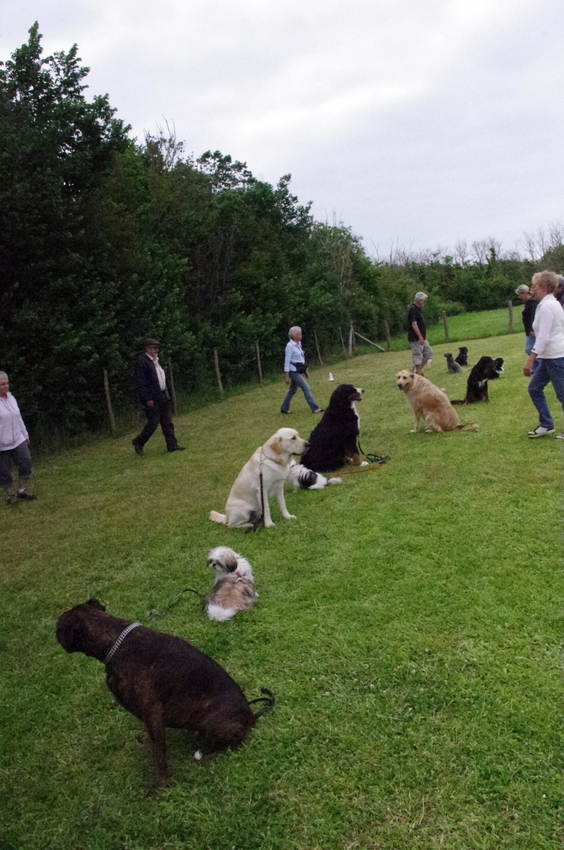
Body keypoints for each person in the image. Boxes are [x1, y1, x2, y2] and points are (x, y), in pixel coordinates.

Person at [522, 271, 564, 439]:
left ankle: (547, 425)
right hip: (548, 357)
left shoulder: (548, 306)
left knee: (562, 394)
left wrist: (530, 359)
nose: (532, 288)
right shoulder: (548, 304)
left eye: (535, 285)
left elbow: (544, 337)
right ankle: (547, 425)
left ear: (544, 287)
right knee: (534, 388)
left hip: (555, 356)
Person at [132, 338, 185, 454]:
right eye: (155, 348)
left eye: (157, 348)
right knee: (153, 423)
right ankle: (139, 441)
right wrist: (147, 398)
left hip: (162, 395)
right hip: (152, 397)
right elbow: (142, 382)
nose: (157, 350)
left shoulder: (155, 361)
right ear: (148, 348)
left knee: (167, 421)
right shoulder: (143, 362)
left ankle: (172, 444)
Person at [0, 371, 37, 504]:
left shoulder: (11, 398)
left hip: (18, 438)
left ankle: (22, 490)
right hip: (2, 444)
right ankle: (10, 496)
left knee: (26, 460)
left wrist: (25, 435)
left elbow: (18, 418)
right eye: (2, 384)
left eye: (7, 383)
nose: (5, 386)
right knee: (4, 470)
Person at [280, 327, 323, 415]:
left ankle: (284, 408)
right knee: (306, 388)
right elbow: (287, 361)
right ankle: (314, 408)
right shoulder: (290, 346)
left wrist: (305, 372)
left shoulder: (298, 344)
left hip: (299, 370)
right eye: (300, 334)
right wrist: (287, 376)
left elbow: (300, 360)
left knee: (292, 390)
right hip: (293, 372)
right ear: (295, 336)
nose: (301, 335)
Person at [407, 292, 432, 374]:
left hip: (422, 338)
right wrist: (420, 337)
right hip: (416, 338)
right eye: (423, 301)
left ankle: (416, 372)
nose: (424, 302)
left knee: (428, 353)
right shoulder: (413, 309)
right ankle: (418, 375)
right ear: (419, 301)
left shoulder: (418, 309)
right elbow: (414, 324)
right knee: (418, 357)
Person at [515, 284, 538, 372]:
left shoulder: (532, 302)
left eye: (519, 294)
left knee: (529, 349)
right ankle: (536, 369)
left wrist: (532, 329)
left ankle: (542, 365)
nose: (519, 297)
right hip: (528, 331)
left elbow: (533, 316)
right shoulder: (528, 302)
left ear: (524, 293)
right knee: (531, 349)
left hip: (532, 331)